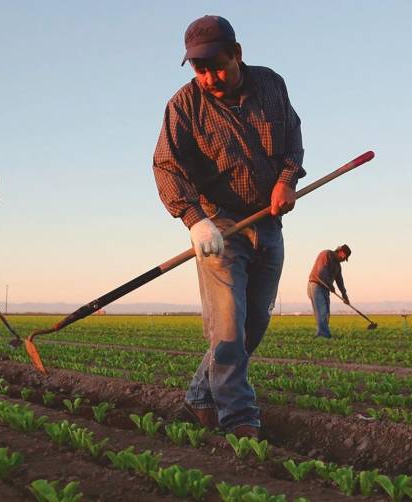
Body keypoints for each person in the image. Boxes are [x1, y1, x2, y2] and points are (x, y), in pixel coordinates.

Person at [153, 15, 305, 438]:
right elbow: (166, 165)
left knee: (254, 320)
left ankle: (202, 394)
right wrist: (194, 220)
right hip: (217, 223)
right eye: (200, 70)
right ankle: (238, 416)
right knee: (228, 319)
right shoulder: (184, 106)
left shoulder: (271, 85)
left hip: (267, 220)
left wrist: (285, 181)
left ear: (237, 55)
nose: (209, 77)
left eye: (216, 66)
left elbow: (292, 138)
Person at [307, 245, 351, 339]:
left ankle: (321, 334)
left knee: (326, 313)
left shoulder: (338, 266)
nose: (344, 260)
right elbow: (321, 272)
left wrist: (344, 294)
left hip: (325, 288)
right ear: (341, 252)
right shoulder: (326, 254)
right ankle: (325, 335)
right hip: (316, 285)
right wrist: (331, 285)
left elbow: (340, 281)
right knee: (322, 311)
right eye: (345, 257)